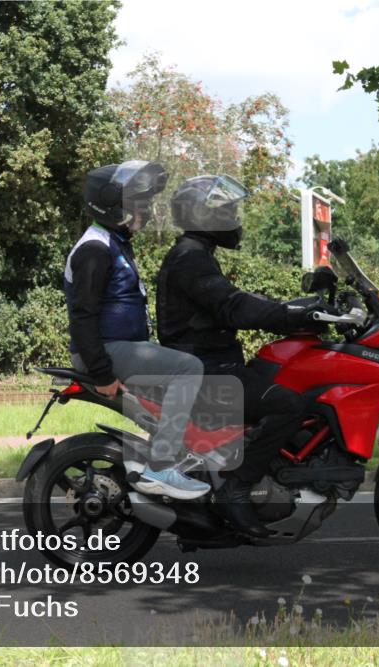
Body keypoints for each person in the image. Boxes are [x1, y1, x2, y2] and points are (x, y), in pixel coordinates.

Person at [156, 174, 317, 536]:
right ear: (203, 216)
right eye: (226, 211)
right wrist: (291, 315)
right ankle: (237, 488)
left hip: (212, 366)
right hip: (207, 373)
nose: (233, 218)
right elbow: (233, 307)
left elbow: (233, 299)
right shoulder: (190, 260)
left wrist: (296, 307)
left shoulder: (196, 255)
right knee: (289, 405)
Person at [65, 160, 209, 500]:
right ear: (111, 205)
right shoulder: (95, 249)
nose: (144, 209)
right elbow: (83, 316)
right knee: (189, 368)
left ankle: (182, 459)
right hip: (105, 351)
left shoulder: (111, 242)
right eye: (137, 203)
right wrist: (101, 372)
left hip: (117, 348)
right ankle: (161, 468)